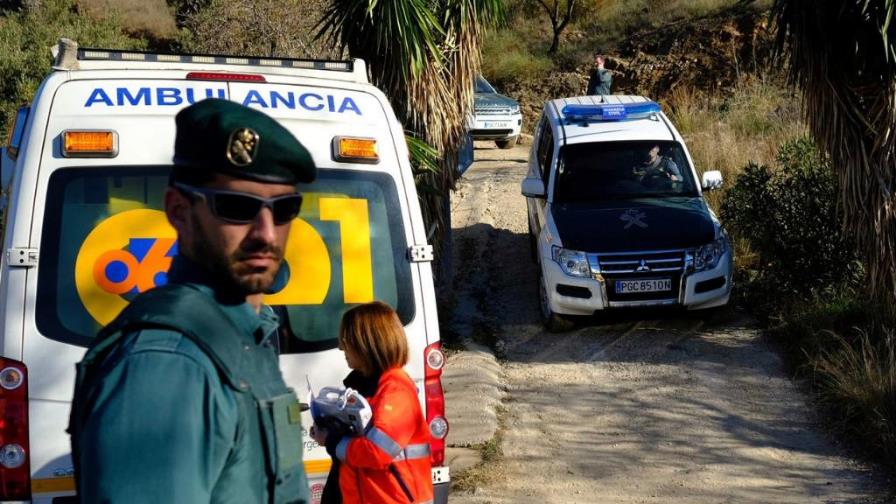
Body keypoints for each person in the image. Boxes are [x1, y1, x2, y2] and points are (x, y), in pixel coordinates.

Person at [69, 98, 315, 503]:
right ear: (178, 211)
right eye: (236, 207)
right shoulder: (165, 364)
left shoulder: (241, 335)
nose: (267, 233)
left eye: (285, 208)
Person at [311, 302, 433, 504]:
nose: (341, 347)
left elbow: (377, 452)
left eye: (346, 340)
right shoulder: (365, 387)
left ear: (367, 343)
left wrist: (332, 440)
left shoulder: (396, 391)